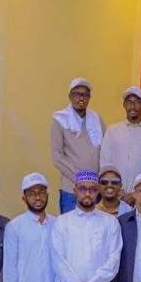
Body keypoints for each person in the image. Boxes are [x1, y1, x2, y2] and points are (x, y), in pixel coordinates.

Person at [51, 77, 102, 213]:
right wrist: (80, 179)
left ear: (89, 98)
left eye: (85, 95)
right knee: (70, 224)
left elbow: (104, 150)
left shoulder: (96, 119)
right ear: (70, 96)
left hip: (94, 188)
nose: (81, 98)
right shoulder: (60, 119)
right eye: (77, 94)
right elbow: (57, 156)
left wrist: (97, 180)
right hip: (71, 187)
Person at [99, 86, 141, 200]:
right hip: (115, 194)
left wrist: (136, 193)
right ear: (124, 105)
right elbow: (105, 163)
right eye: (129, 102)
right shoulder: (112, 130)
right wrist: (116, 189)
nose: (133, 106)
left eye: (137, 102)